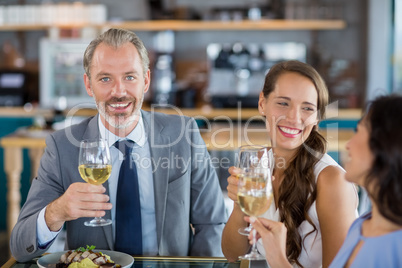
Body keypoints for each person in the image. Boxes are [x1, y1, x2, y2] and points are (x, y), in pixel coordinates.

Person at [10, 28, 227, 262]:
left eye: (129, 77)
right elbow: (20, 247)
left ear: (146, 81)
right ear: (88, 84)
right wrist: (56, 212)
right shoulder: (62, 147)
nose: (119, 92)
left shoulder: (184, 134)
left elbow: (212, 223)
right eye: (105, 78)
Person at [221, 60, 358, 267]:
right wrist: (241, 206)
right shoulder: (258, 164)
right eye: (283, 103)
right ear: (262, 103)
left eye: (307, 108)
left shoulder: (332, 181)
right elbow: (232, 255)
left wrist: (277, 259)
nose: (294, 118)